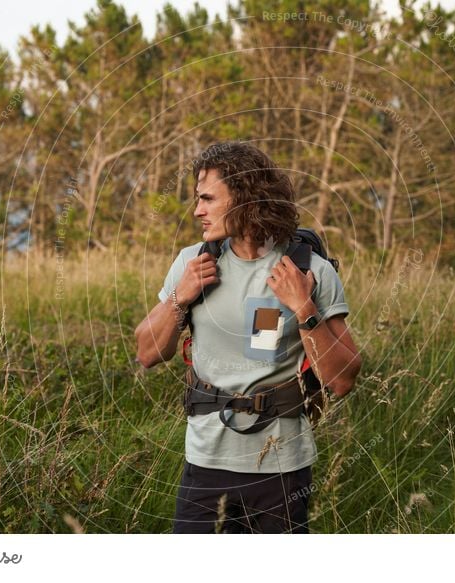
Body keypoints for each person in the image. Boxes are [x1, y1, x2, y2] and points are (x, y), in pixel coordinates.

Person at [134, 141, 361, 533]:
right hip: (205, 463)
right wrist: (179, 296)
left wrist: (304, 307)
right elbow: (147, 352)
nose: (196, 211)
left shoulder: (308, 269)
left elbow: (342, 380)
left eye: (207, 199)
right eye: (196, 199)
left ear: (243, 197)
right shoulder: (193, 264)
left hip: (281, 468)